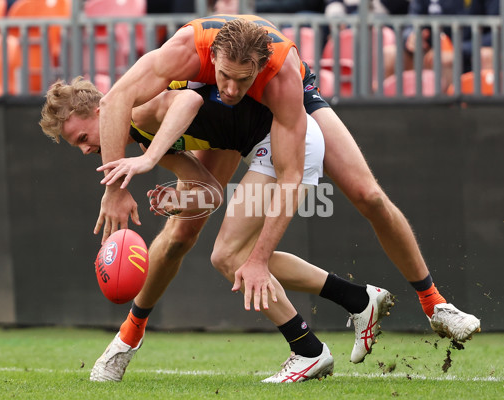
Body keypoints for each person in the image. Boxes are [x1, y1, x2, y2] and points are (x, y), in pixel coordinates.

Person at [88, 14, 480, 381]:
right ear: (212, 58)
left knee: (368, 195)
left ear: (258, 69)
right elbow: (115, 100)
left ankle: (434, 304)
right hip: (229, 132)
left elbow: (292, 175)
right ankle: (128, 337)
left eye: (242, 80)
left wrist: (259, 259)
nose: (230, 88)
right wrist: (115, 191)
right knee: (179, 237)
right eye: (223, 76)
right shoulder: (186, 52)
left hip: (273, 123)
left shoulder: (281, 79)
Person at [40, 76, 395, 382]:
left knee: (228, 256)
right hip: (267, 146)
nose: (86, 150)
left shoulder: (138, 109)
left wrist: (148, 160)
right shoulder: (144, 136)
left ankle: (309, 350)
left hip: (285, 140)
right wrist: (179, 204)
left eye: (82, 138)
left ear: (101, 112)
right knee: (239, 256)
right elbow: (210, 193)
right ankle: (357, 298)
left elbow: (189, 99)